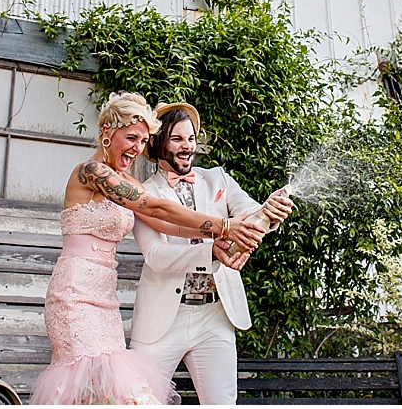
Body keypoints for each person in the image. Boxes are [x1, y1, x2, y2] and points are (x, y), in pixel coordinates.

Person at [29, 92, 265, 405]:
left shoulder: (128, 181)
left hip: (105, 297)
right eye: (131, 138)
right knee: (87, 387)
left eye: (143, 141)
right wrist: (222, 225)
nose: (137, 148)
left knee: (116, 391)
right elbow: (155, 208)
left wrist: (215, 240)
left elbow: (167, 223)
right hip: (74, 294)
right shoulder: (90, 172)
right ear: (107, 133)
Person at [129, 103, 293, 405]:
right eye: (177, 139)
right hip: (162, 318)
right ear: (157, 142)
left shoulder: (218, 179)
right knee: (137, 400)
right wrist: (212, 253)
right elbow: (155, 255)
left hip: (215, 315)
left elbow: (248, 214)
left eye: (191, 138)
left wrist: (268, 211)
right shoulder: (142, 194)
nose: (187, 147)